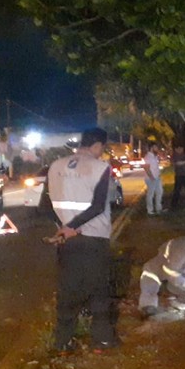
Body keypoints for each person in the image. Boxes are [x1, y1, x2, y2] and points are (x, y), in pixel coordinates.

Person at [46, 127, 119, 353]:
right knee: (98, 291)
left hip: (65, 240)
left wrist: (63, 228)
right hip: (94, 239)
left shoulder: (56, 166)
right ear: (97, 145)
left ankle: (63, 342)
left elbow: (44, 205)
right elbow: (98, 206)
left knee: (68, 291)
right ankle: (102, 340)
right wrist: (75, 228)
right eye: (102, 148)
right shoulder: (100, 168)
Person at [144, 142, 163, 215]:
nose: (157, 149)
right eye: (156, 147)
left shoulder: (154, 156)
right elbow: (146, 168)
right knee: (150, 194)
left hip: (157, 178)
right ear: (152, 148)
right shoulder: (148, 157)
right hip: (151, 178)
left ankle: (158, 208)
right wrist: (151, 177)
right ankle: (150, 210)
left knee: (159, 192)